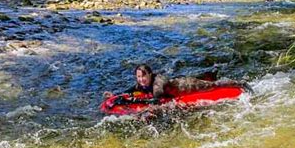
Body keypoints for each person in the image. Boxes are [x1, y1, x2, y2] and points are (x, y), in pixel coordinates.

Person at [104, 64, 249, 100]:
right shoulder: (142, 83)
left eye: (144, 76)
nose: (141, 79)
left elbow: (157, 96)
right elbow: (132, 89)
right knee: (206, 78)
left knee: (213, 86)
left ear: (150, 74)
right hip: (178, 83)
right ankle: (209, 73)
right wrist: (116, 95)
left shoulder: (158, 82)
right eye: (139, 77)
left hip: (187, 86)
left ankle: (241, 83)